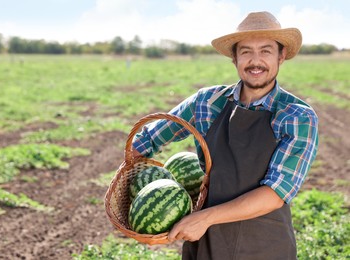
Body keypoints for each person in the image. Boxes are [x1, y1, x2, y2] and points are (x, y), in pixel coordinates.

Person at [132, 11, 318, 259]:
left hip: (264, 244)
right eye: (246, 51)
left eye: (265, 51)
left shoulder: (297, 116)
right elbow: (147, 140)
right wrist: (134, 191)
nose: (255, 61)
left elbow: (276, 193)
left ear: (281, 56)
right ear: (234, 57)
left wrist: (203, 218)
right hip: (205, 242)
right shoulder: (207, 101)